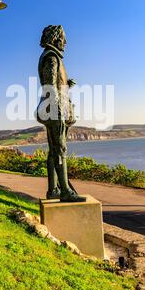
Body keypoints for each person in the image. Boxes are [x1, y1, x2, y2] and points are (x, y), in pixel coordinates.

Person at [36, 25, 86, 202]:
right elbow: (50, 86)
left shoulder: (51, 57)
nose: (65, 42)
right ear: (55, 39)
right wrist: (59, 111)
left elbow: (53, 83)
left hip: (51, 108)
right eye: (63, 38)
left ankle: (53, 190)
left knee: (53, 150)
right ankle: (65, 191)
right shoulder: (51, 57)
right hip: (55, 110)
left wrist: (66, 84)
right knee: (60, 150)